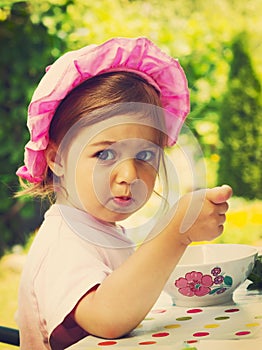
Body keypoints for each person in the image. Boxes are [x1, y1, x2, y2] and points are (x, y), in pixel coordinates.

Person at [15, 37, 232, 349]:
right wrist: (175, 232)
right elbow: (106, 317)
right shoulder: (65, 240)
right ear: (57, 158)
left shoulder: (101, 231)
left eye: (145, 156)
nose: (130, 175)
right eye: (104, 154)